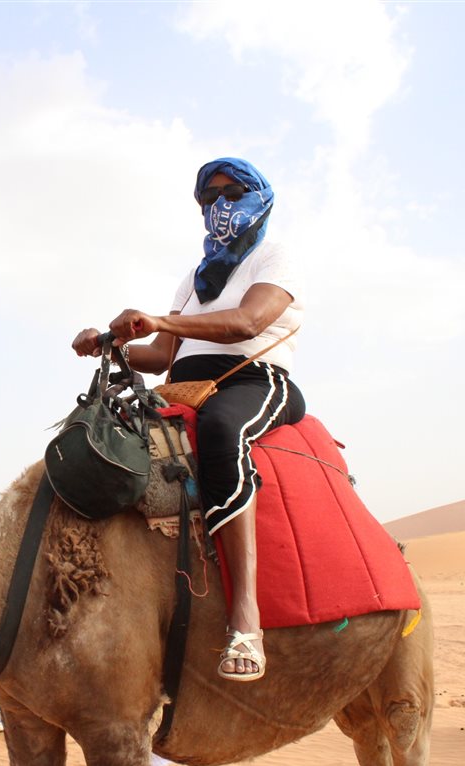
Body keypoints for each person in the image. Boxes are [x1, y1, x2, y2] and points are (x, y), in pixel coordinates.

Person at [71, 157, 304, 682]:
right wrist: (111, 344)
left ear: (257, 195)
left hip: (254, 380)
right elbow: (162, 355)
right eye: (208, 198)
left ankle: (245, 618)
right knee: (107, 435)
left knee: (223, 430)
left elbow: (248, 322)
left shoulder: (274, 257)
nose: (220, 205)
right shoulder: (195, 279)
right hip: (186, 386)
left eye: (231, 191)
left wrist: (159, 318)